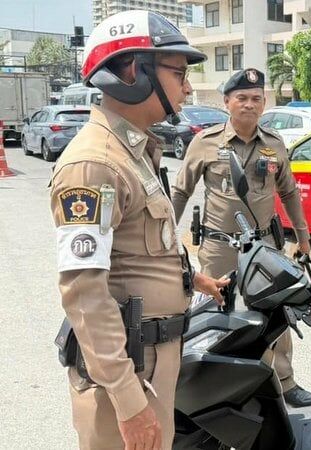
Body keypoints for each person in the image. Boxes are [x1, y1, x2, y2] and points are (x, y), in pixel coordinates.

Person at [50, 11, 229, 449]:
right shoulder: (94, 164)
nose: (188, 88)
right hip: (128, 373)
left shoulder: (135, 151)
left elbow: (141, 250)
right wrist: (129, 404)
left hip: (153, 360)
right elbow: (85, 295)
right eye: (180, 74)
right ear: (133, 71)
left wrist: (191, 280)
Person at [170, 68, 311, 407]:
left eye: (255, 99)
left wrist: (303, 235)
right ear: (227, 102)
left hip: (265, 246)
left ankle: (285, 380)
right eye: (241, 98)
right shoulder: (206, 143)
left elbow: (290, 192)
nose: (249, 104)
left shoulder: (275, 144)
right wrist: (167, 237)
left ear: (264, 103)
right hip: (220, 246)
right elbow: (180, 192)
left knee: (275, 313)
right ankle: (223, 384)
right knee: (221, 312)